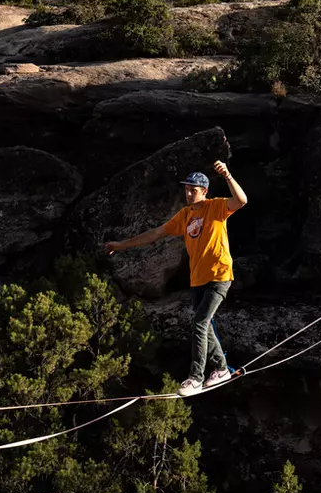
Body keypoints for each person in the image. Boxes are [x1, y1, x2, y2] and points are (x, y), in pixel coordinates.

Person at [104, 160, 248, 397]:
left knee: (200, 323)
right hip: (198, 279)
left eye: (194, 189)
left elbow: (241, 201)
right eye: (187, 189)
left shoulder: (217, 207)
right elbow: (156, 233)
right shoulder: (185, 215)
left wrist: (228, 176)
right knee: (205, 325)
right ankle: (221, 369)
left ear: (204, 191)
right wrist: (121, 245)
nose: (189, 193)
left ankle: (196, 378)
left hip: (219, 275)